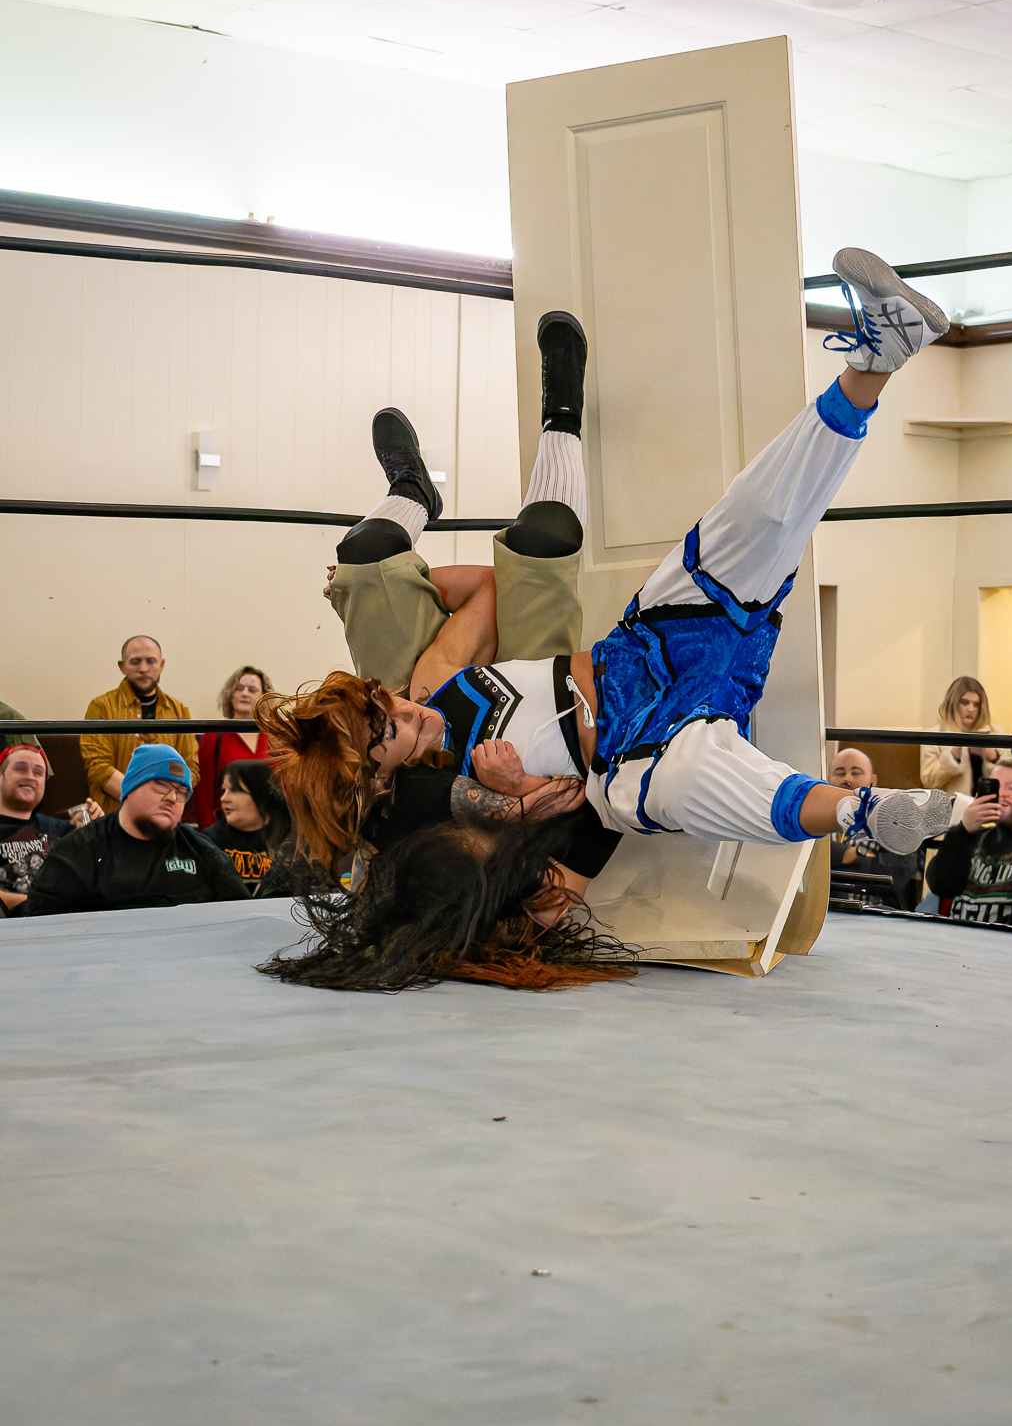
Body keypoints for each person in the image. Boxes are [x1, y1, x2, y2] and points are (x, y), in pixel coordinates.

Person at [258, 247, 957, 992]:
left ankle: (878, 357)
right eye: (397, 726)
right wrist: (521, 798)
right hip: (637, 752)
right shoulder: (446, 820)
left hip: (644, 650)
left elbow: (485, 600)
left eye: (392, 703)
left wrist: (426, 587)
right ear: (380, 772)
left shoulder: (441, 690)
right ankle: (867, 811)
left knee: (754, 518)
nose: (408, 708)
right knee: (683, 790)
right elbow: (559, 872)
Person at [327, 312, 591, 704]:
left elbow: (484, 589)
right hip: (517, 718)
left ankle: (412, 493)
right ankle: (562, 418)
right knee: (543, 537)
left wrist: (387, 585)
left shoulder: (417, 697)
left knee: (366, 559)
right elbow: (491, 585)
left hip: (412, 700)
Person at [24, 744, 248, 916]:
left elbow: (242, 915)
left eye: (182, 792)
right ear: (131, 787)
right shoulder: (80, 852)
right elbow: (41, 924)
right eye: (161, 785)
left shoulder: (202, 852)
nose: (172, 797)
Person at [925, 757, 1012, 925]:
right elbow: (941, 886)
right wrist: (963, 831)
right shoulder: (971, 836)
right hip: (959, 936)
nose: (1002, 794)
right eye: (996, 787)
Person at [80, 636, 200, 815]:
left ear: (162, 664)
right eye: (135, 662)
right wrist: (143, 802)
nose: (143, 669)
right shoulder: (102, 707)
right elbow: (99, 768)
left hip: (165, 820)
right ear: (122, 666)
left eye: (151, 661)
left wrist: (165, 799)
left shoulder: (179, 711)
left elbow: (191, 769)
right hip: (113, 818)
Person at [0, 744, 101, 916]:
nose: (30, 777)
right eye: (21, 769)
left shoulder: (65, 830)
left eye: (38, 772)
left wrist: (99, 830)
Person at [828, 748, 925, 910]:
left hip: (879, 914)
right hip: (827, 914)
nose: (847, 779)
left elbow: (896, 876)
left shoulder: (894, 820)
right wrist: (847, 855)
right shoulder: (814, 818)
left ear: (873, 780)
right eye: (839, 773)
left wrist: (846, 858)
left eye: (856, 773)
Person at [191, 666, 274, 829]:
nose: (244, 693)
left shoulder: (273, 739)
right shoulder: (214, 737)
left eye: (252, 690)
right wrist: (208, 836)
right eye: (239, 689)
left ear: (263, 698)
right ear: (230, 694)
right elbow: (203, 795)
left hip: (268, 831)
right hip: (226, 830)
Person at [202, 758, 291, 893]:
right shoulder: (208, 842)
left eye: (235, 790)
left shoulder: (292, 840)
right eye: (223, 790)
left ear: (262, 794)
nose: (224, 799)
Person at [920, 677, 1002, 799]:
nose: (971, 709)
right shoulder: (934, 735)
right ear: (953, 703)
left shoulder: (997, 734)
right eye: (964, 702)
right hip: (952, 806)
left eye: (976, 704)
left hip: (993, 805)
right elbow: (928, 781)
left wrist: (994, 758)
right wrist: (953, 758)